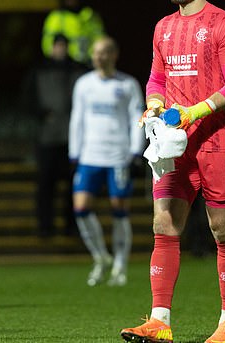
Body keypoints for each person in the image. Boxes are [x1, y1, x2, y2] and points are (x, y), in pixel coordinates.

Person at [120, 0, 225, 343]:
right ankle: (160, 321)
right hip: (174, 146)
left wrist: (193, 111)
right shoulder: (162, 28)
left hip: (217, 140)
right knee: (164, 224)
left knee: (223, 230)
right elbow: (157, 78)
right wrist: (154, 104)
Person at [69, 35, 144, 286]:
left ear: (114, 55)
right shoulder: (83, 84)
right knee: (80, 208)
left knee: (119, 210)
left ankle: (120, 266)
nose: (99, 57)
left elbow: (137, 118)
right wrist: (74, 152)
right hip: (90, 155)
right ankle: (101, 256)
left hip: (118, 156)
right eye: (96, 53)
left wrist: (136, 150)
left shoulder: (127, 84)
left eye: (104, 53)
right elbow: (77, 118)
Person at [33, 33, 88, 237]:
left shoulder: (78, 69)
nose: (60, 49)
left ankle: (71, 227)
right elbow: (27, 99)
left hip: (72, 139)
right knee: (46, 185)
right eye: (57, 45)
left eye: (63, 45)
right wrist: (41, 114)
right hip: (48, 138)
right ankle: (45, 227)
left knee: (73, 186)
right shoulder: (40, 70)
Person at [41, 0, 105, 65]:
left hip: (87, 63)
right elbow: (47, 42)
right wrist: (54, 53)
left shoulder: (91, 16)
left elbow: (100, 39)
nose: (72, 2)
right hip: (64, 64)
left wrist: (95, 56)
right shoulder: (56, 17)